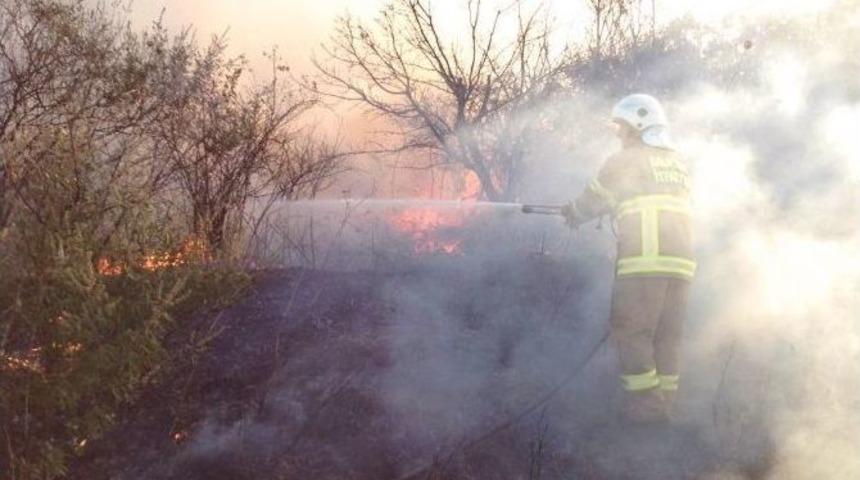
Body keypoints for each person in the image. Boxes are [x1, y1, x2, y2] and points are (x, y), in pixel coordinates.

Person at [562, 94, 695, 423]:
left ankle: (647, 412)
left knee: (632, 332)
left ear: (638, 125)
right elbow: (640, 196)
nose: (618, 133)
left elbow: (592, 199)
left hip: (645, 261)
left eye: (622, 126)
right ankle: (666, 406)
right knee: (668, 336)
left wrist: (573, 213)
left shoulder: (625, 160)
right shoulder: (678, 163)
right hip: (681, 264)